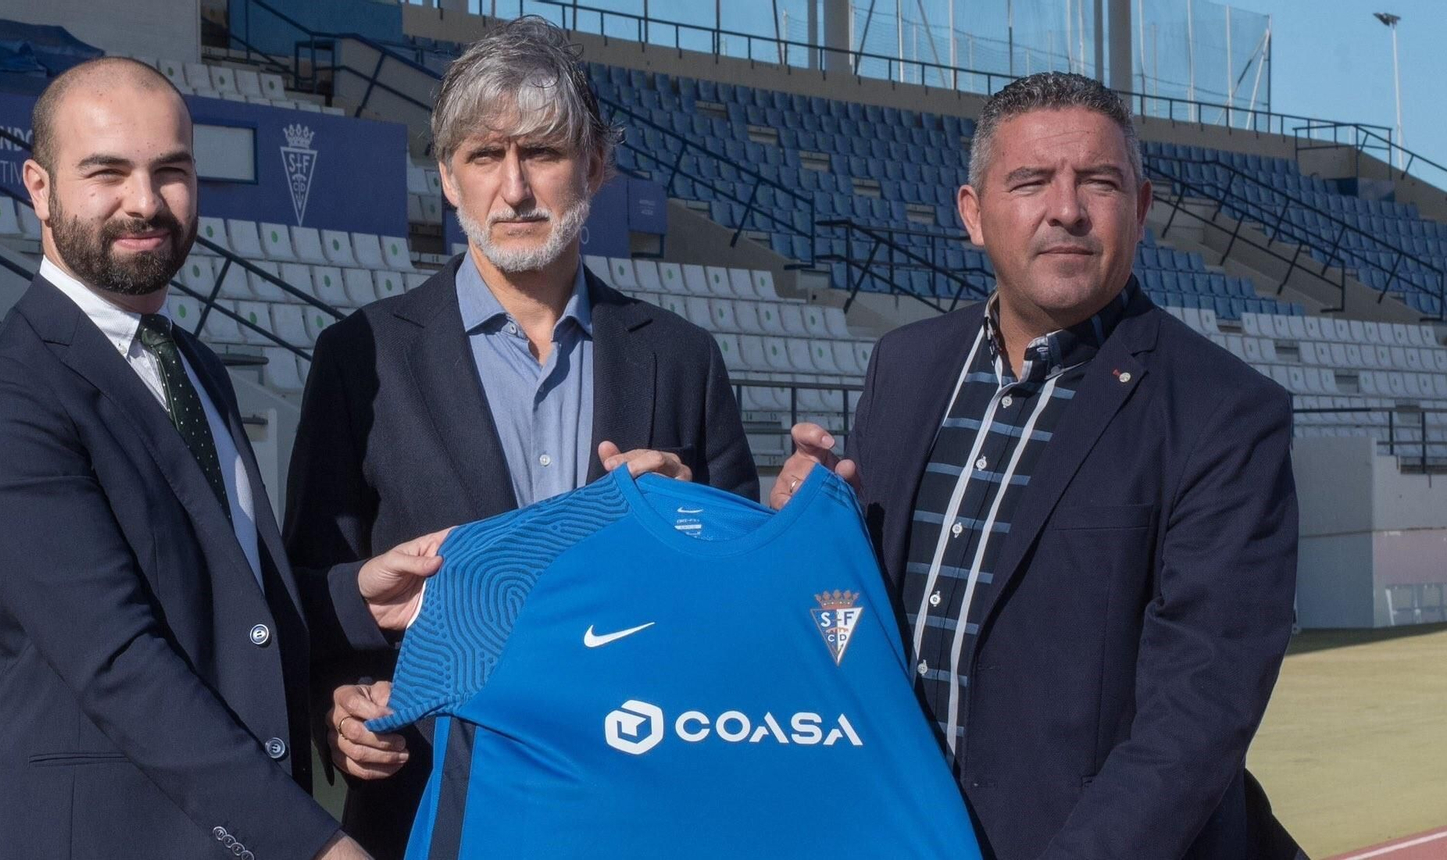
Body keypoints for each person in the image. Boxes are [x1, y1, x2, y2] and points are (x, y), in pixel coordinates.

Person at [772, 73, 1301, 860]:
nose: (1067, 209)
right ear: (972, 215)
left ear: (1143, 208)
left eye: (1099, 182)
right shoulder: (904, 368)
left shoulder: (1225, 412)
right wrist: (806, 544)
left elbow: (1197, 714)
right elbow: (849, 631)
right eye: (1030, 181)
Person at [0, 57, 429, 860]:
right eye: (107, 172)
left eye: (171, 171)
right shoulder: (2, 395)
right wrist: (312, 846)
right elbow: (118, 660)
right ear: (39, 187)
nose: (145, 201)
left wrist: (354, 597)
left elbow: (215, 603)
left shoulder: (194, 368)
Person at [282, 17, 758, 859]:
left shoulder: (683, 359)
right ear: (447, 178)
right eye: (484, 156)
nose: (516, 189)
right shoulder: (363, 356)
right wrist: (342, 700)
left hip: (634, 807)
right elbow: (313, 584)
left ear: (596, 167)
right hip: (432, 806)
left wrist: (687, 525)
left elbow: (737, 609)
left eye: (542, 152)